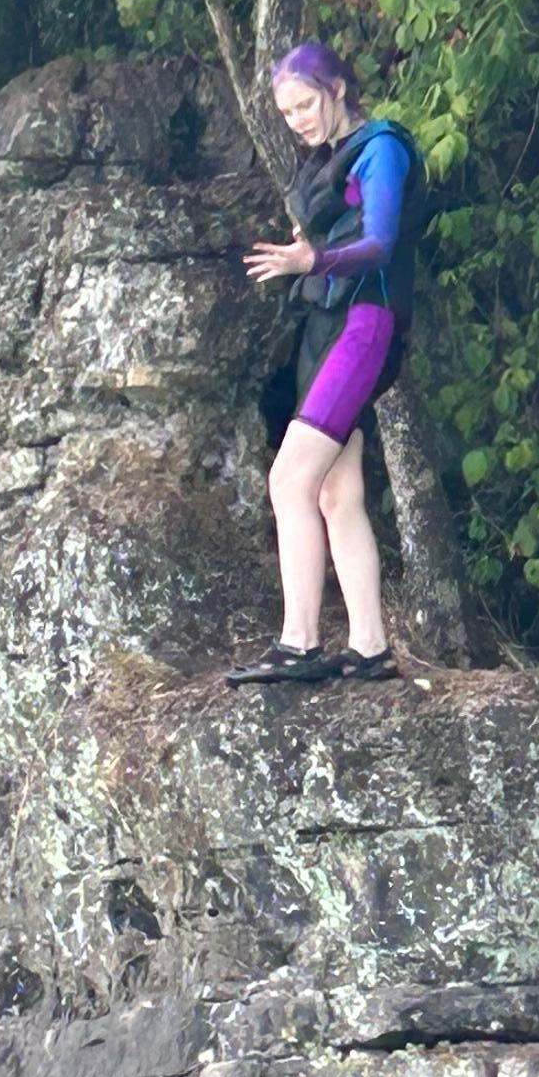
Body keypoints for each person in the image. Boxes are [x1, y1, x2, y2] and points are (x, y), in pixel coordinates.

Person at [223, 41, 423, 689]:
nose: (298, 121)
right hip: (327, 327)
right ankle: (369, 648)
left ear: (337, 89)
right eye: (287, 113)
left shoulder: (381, 148)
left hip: (364, 327)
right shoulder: (326, 161)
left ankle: (300, 644)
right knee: (337, 492)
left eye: (305, 105)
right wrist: (308, 253)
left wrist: (312, 260)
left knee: (289, 481)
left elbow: (381, 242)